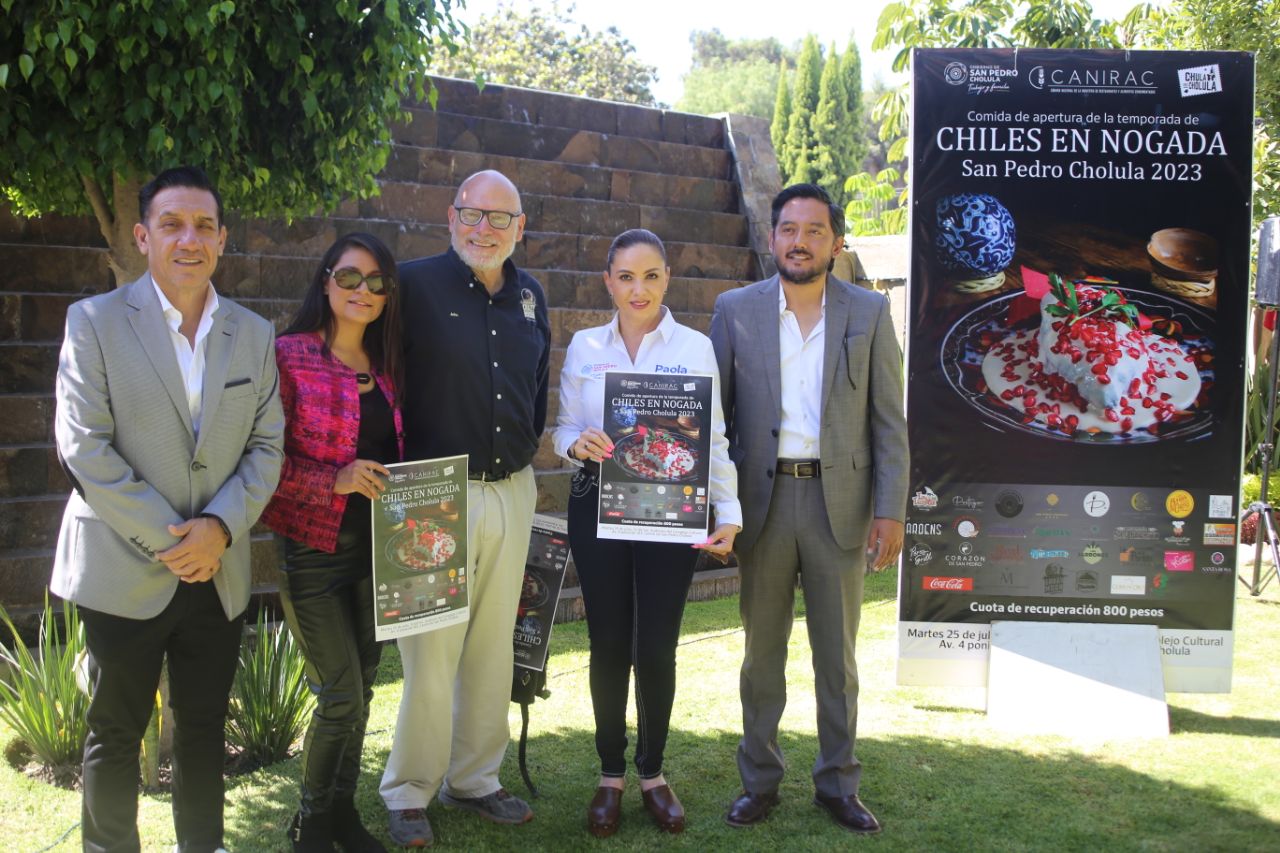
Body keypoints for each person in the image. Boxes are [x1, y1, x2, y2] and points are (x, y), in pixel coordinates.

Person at [51, 165, 284, 853]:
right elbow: (83, 446)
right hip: (124, 568)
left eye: (205, 226)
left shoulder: (253, 333)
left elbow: (267, 446)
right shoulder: (92, 322)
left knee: (206, 726)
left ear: (222, 239)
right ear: (143, 234)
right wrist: (176, 540)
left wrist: (217, 530)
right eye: (174, 224)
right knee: (115, 731)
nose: (191, 239)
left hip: (219, 570)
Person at [709, 183, 908, 835]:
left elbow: (888, 422)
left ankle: (837, 783)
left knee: (837, 657)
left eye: (814, 230)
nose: (800, 240)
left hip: (840, 504)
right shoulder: (734, 311)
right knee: (761, 655)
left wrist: (890, 510)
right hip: (764, 504)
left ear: (836, 241)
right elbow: (717, 422)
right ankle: (759, 781)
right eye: (788, 229)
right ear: (773, 238)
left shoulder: (869, 312)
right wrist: (719, 505)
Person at [379, 170, 550, 847]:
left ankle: (475, 777)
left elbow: (536, 388)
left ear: (520, 228)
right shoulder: (412, 286)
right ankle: (408, 788)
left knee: (490, 644)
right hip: (427, 491)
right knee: (429, 652)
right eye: (472, 214)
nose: (484, 229)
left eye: (500, 218)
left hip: (512, 487)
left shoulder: (531, 294)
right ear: (450, 217)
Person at [553, 229, 742, 837]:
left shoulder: (694, 347)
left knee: (657, 644)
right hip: (597, 505)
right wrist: (572, 444)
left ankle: (653, 774)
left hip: (671, 509)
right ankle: (610, 774)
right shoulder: (585, 345)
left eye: (652, 276)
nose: (640, 289)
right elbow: (562, 429)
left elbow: (712, 439)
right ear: (608, 281)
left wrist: (729, 510)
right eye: (626, 277)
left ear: (667, 278)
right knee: (608, 641)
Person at [259, 233, 405, 852]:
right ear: (325, 282)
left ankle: (342, 813)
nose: (362, 291)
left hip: (379, 554)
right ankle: (313, 823)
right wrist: (335, 479)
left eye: (375, 282)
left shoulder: (389, 367)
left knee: (365, 688)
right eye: (349, 278)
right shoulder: (288, 356)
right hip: (313, 551)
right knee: (340, 695)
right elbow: (260, 467)